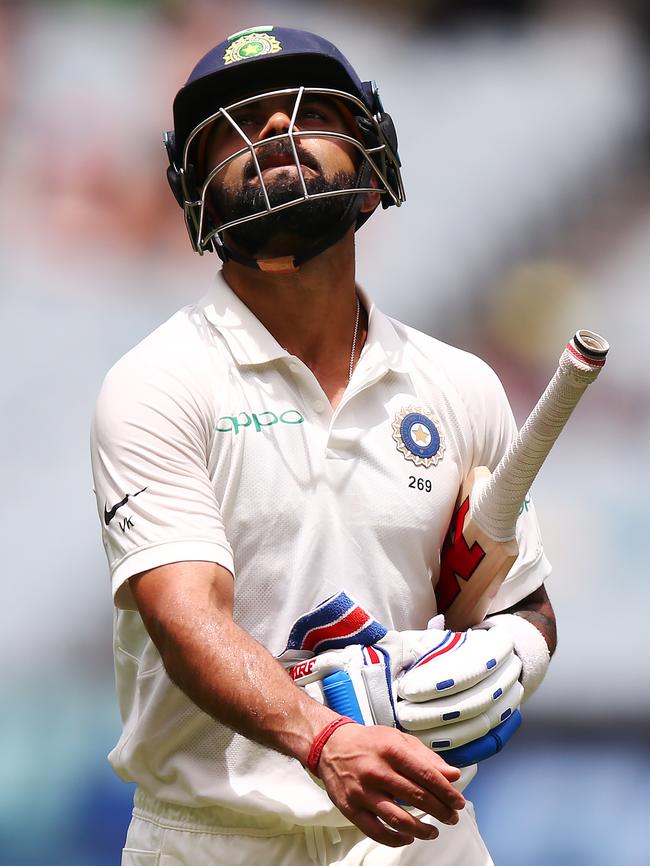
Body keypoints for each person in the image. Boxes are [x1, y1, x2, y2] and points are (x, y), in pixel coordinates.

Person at [91, 25, 557, 866]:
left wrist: (508, 658)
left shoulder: (461, 386)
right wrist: (325, 739)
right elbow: (184, 612)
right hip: (214, 840)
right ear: (194, 193)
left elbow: (515, 602)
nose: (271, 130)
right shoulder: (157, 382)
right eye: (233, 127)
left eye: (303, 112)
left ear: (373, 161)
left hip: (422, 833)